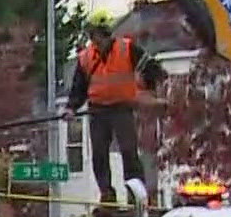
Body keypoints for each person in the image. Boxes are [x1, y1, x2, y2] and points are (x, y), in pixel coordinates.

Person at [61, 13, 166, 206]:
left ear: (106, 34)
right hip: (97, 110)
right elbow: (79, 87)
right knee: (99, 153)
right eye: (91, 36)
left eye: (97, 36)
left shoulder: (127, 49)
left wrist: (150, 92)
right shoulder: (85, 58)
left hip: (122, 107)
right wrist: (71, 108)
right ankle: (106, 193)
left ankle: (137, 192)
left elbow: (152, 69)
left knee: (128, 151)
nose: (94, 41)